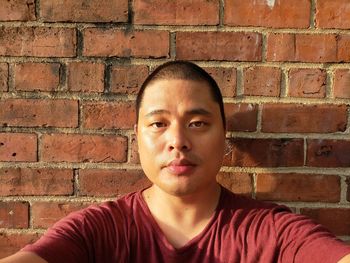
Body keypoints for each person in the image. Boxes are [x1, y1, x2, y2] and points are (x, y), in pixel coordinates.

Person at [1, 61, 350, 263]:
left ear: (224, 135)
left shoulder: (269, 232)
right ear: (138, 137)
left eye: (197, 124)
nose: (178, 141)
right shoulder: (100, 231)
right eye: (158, 124)